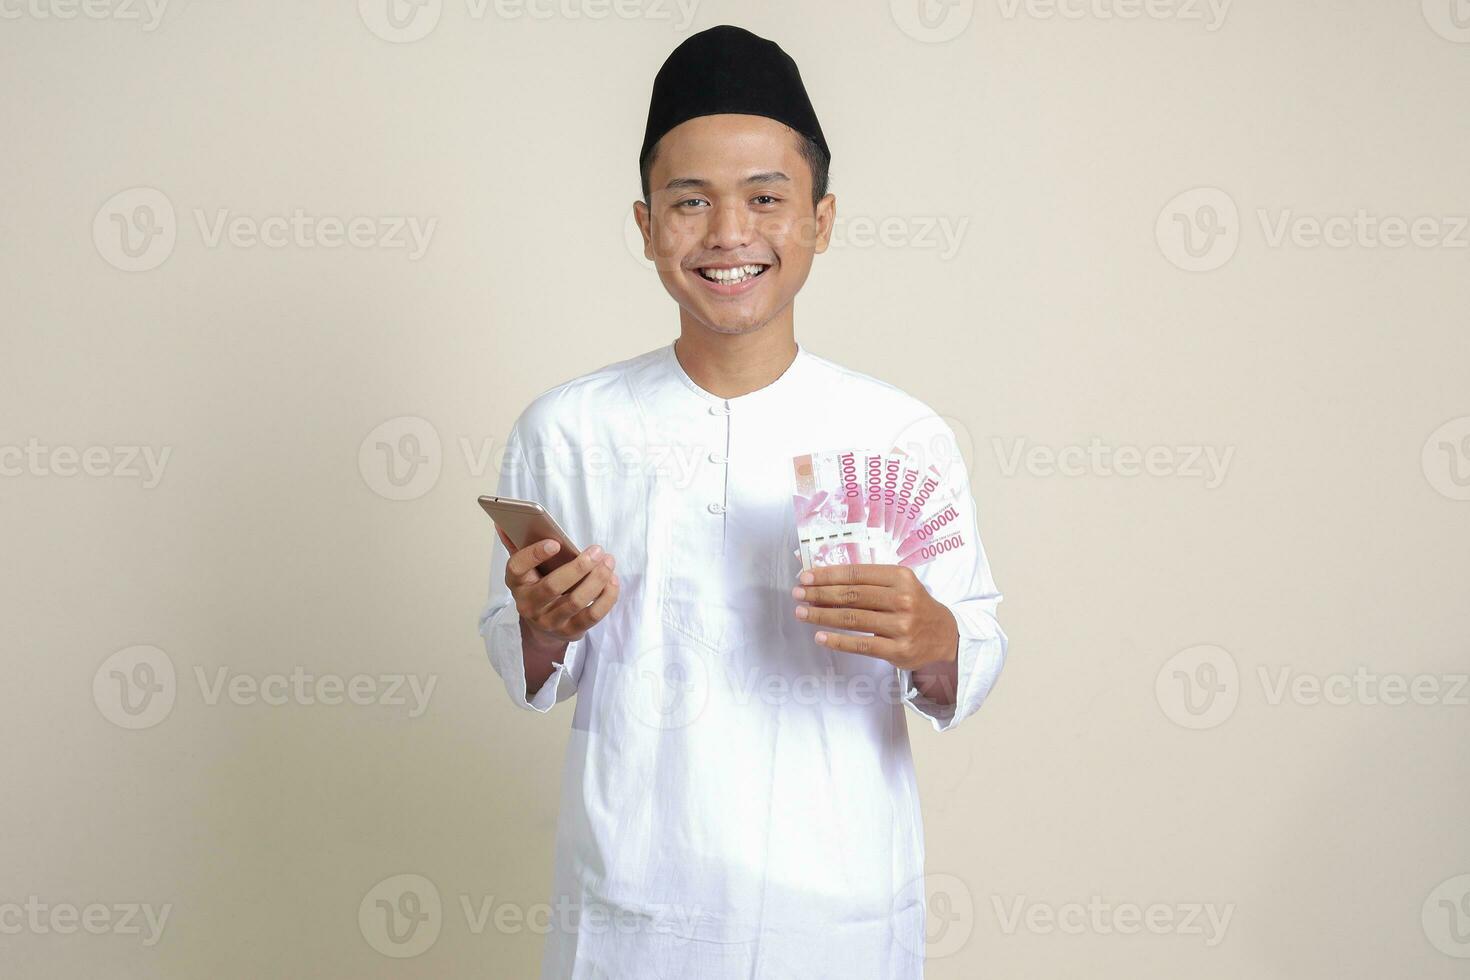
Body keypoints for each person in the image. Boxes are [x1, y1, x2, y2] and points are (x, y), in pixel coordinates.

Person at [478, 25, 1007, 978]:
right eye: (691, 202)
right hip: (633, 909)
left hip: (837, 911)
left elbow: (971, 656)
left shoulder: (900, 434)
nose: (729, 234)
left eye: (767, 198)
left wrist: (929, 635)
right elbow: (522, 662)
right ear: (645, 226)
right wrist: (544, 625)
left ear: (822, 219)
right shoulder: (567, 430)